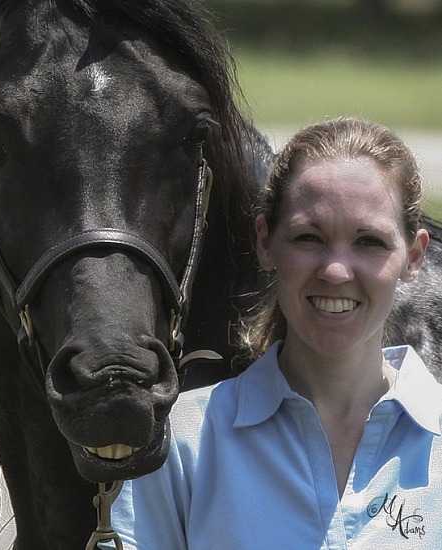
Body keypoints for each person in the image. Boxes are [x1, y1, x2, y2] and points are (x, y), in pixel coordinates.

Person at [110, 117, 441, 548]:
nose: (336, 270)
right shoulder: (181, 443)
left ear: (414, 256)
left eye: (369, 242)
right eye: (308, 237)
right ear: (264, 241)